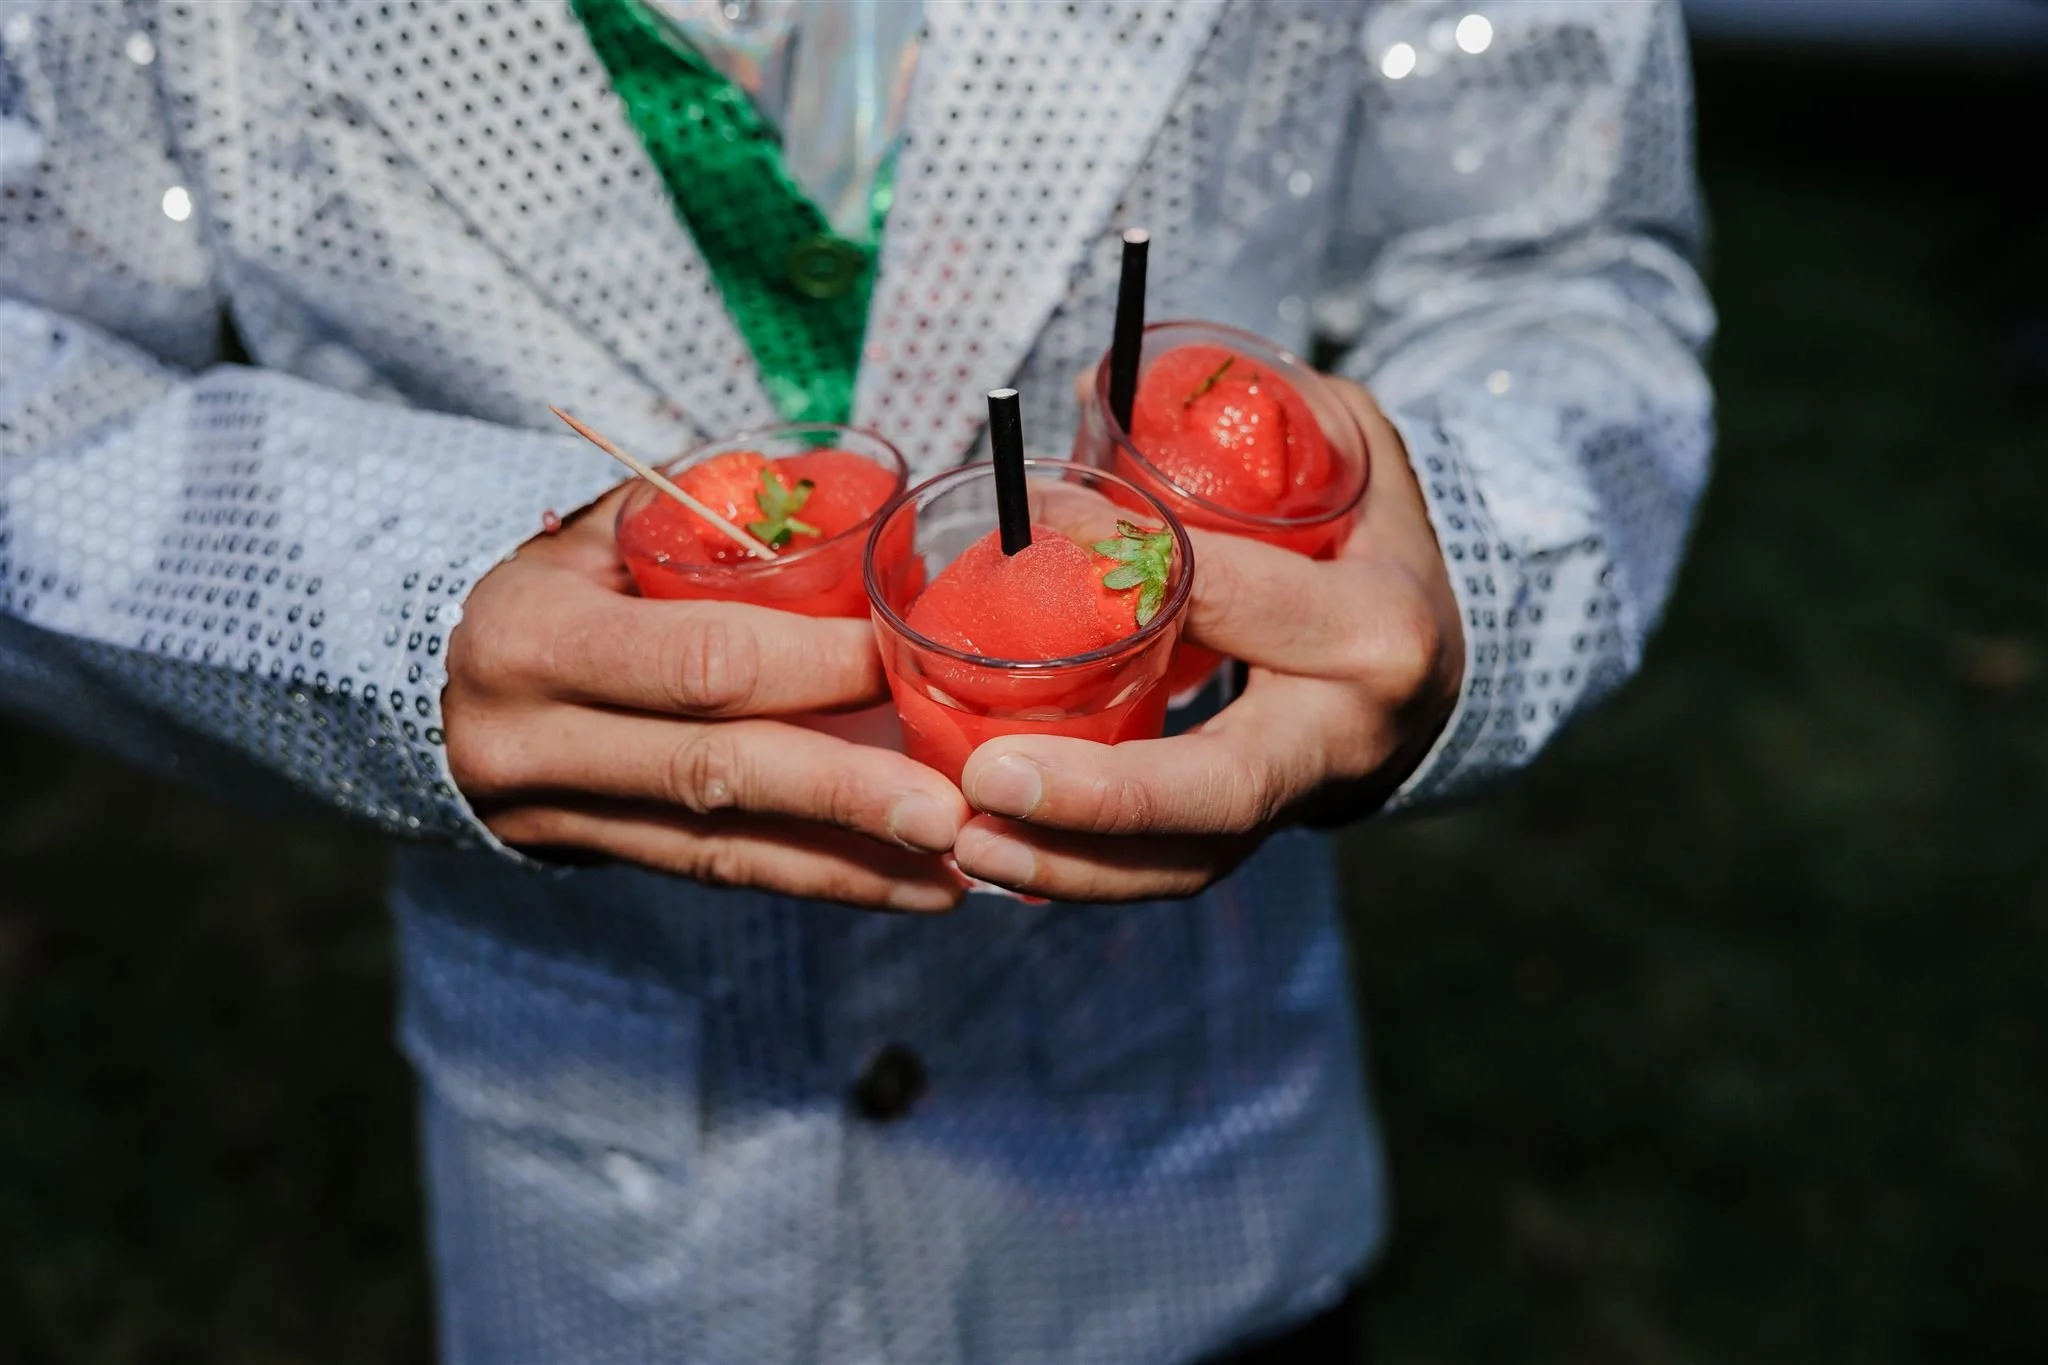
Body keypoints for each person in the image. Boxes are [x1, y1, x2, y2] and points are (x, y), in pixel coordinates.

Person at [0, 0, 1714, 1360]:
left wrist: (1463, 561)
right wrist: (392, 600)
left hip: (1193, 1172)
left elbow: (1555, 259)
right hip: (612, 1226)